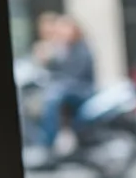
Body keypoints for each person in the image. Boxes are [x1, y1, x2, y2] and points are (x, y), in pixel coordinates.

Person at [35, 15, 95, 164]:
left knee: (53, 97)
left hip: (82, 89)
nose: (61, 32)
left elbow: (75, 75)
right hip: (68, 89)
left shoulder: (81, 48)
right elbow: (55, 71)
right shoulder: (64, 48)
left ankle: (48, 145)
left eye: (65, 28)